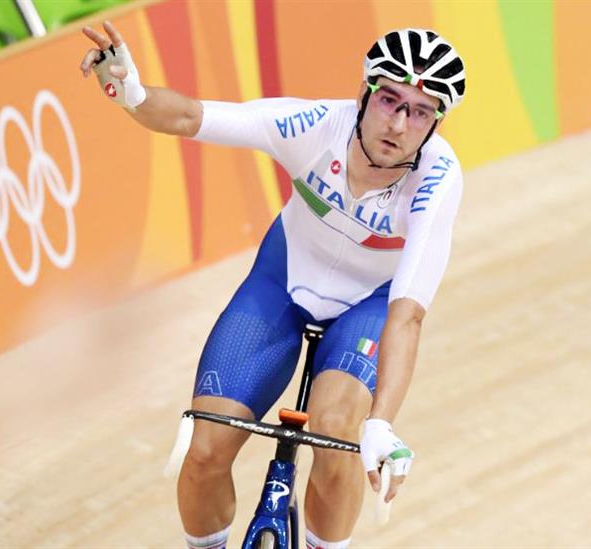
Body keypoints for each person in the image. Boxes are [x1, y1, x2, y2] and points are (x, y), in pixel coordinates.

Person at [80, 22, 465, 549]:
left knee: (336, 440)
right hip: (283, 283)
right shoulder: (313, 126)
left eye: (419, 111)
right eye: (389, 100)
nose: (398, 123)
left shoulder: (438, 180)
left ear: (436, 124)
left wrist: (381, 424)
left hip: (369, 307)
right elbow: (192, 115)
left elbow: (408, 313)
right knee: (207, 447)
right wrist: (134, 94)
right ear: (363, 93)